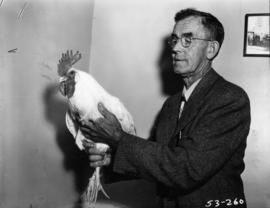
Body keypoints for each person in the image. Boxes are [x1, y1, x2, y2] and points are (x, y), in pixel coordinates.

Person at [79, 8, 251, 208]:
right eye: (175, 40)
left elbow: (187, 169)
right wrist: (110, 160)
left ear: (211, 49)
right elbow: (156, 160)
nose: (176, 48)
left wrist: (119, 138)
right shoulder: (171, 104)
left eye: (188, 40)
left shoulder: (230, 99)